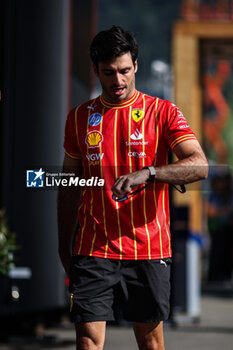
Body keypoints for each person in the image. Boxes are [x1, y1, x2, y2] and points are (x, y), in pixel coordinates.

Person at [58, 26, 208, 350]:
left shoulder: (163, 111)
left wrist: (150, 173)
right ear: (95, 68)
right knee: (86, 340)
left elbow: (199, 164)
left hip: (148, 249)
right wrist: (63, 244)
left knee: (150, 342)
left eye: (125, 70)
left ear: (136, 66)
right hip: (93, 247)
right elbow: (69, 186)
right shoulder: (79, 118)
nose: (118, 81)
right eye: (109, 72)